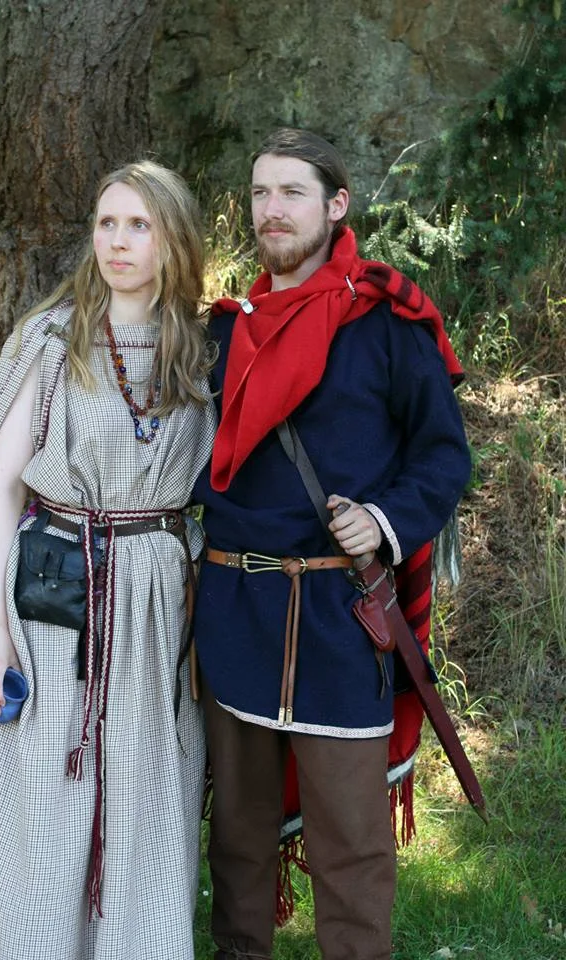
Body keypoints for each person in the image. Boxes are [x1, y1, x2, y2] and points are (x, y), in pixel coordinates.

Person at [192, 128, 472, 960]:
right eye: (260, 193)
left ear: (336, 204)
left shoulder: (388, 323)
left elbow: (442, 455)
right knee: (237, 836)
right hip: (235, 611)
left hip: (340, 620)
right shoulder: (222, 334)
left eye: (292, 192)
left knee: (351, 845)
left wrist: (383, 521)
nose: (271, 210)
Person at [0, 160, 216, 960]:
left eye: (139, 225)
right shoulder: (52, 342)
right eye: (107, 223)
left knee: (148, 797)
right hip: (54, 595)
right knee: (48, 798)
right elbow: (3, 489)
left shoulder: (200, 352)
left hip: (156, 608)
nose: (118, 241)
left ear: (173, 239)